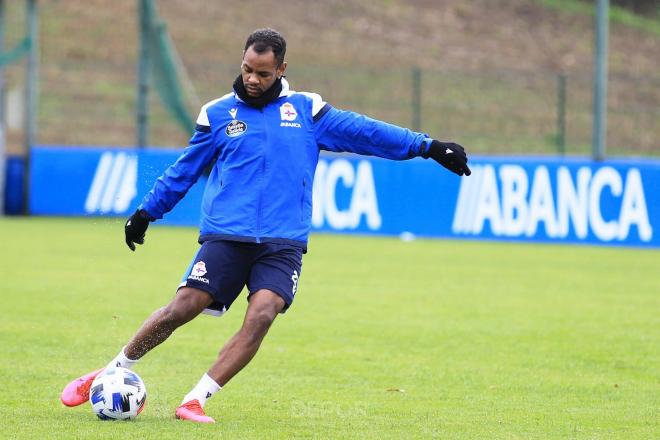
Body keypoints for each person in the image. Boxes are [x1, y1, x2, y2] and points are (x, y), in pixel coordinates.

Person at [60, 28, 471, 423]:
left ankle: (194, 401)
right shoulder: (218, 113)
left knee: (263, 313)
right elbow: (184, 170)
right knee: (184, 307)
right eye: (246, 70)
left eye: (262, 73)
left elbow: (366, 132)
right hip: (227, 234)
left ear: (282, 70)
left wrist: (427, 146)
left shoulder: (308, 111)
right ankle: (108, 371)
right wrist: (146, 212)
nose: (252, 80)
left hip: (283, 241)